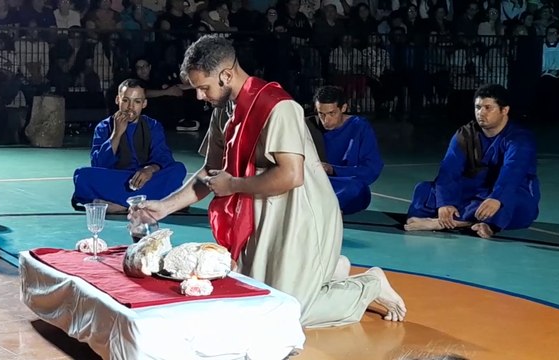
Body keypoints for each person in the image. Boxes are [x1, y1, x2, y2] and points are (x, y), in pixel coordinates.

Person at [129, 35, 406, 327]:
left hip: (300, 212)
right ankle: (329, 270)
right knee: (255, 300)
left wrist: (233, 185)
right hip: (259, 211)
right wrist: (164, 207)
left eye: (203, 87)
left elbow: (291, 175)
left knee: (289, 314)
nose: (199, 96)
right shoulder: (223, 109)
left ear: (226, 75)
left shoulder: (278, 106)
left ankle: (369, 284)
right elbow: (211, 172)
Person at [405, 84, 540, 238]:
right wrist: (445, 203)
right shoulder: (465, 134)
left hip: (508, 188)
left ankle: (452, 223)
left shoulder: (519, 138)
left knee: (513, 204)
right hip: (473, 188)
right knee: (424, 189)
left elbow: (513, 172)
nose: (481, 113)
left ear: (504, 110)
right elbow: (449, 170)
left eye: (488, 108)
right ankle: (468, 222)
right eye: (478, 107)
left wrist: (497, 198)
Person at [72, 79, 187, 213]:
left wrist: (149, 170)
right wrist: (116, 133)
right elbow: (99, 164)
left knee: (178, 169)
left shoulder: (153, 126)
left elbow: (163, 157)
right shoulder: (104, 127)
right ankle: (148, 203)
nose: (130, 107)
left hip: (146, 179)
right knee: (82, 176)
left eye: (137, 101)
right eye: (126, 100)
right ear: (117, 100)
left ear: (144, 104)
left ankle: (119, 205)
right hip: (118, 180)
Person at [310, 86, 384, 215]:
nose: (325, 120)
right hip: (313, 183)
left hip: (341, 184)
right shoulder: (309, 125)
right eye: (321, 113)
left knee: (357, 190)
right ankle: (323, 207)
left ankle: (314, 207)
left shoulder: (359, 127)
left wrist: (333, 169)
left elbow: (372, 169)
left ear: (343, 108)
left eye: (332, 113)